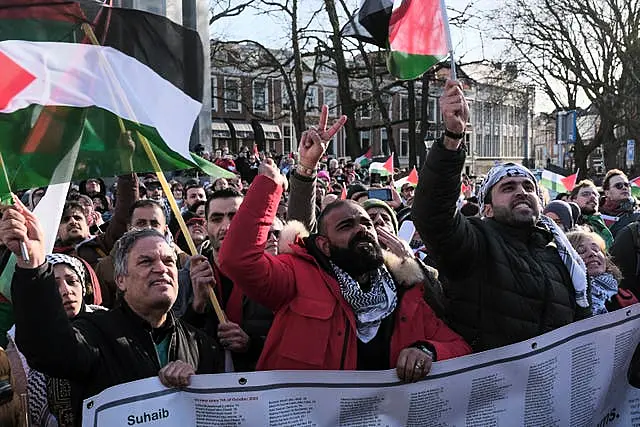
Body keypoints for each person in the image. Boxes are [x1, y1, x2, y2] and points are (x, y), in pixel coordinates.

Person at [218, 107, 470, 381]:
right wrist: (270, 186)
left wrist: (429, 350)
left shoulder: (407, 292)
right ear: (324, 246)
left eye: (366, 223)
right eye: (346, 226)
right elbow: (237, 259)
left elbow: (461, 348)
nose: (362, 229)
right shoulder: (297, 278)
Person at [1, 200, 221, 424]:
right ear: (120, 280)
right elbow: (47, 348)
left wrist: (196, 386)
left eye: (168, 261)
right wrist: (34, 264)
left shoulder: (201, 344)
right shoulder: (94, 332)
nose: (161, 268)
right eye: (146, 261)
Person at [412, 80, 588, 352]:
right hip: (494, 389)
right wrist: (452, 139)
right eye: (508, 187)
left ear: (540, 202)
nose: (521, 192)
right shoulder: (476, 241)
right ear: (487, 208)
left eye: (528, 187)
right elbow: (433, 215)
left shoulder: (558, 255)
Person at [177, 188, 273, 372]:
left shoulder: (270, 275)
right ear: (205, 226)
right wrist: (196, 307)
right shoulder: (185, 277)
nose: (226, 226)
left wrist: (250, 345)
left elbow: (288, 338)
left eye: (234, 217)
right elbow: (174, 344)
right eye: (216, 219)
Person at [94, 199, 189, 308]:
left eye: (154, 224)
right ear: (129, 228)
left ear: (165, 229)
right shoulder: (106, 267)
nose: (148, 228)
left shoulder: (184, 263)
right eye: (141, 223)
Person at [567, 230, 637, 313]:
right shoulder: (565, 300)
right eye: (581, 251)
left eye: (596, 249)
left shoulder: (627, 297)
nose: (592, 253)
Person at [570, 180, 613, 249]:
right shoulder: (569, 223)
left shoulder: (600, 224)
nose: (593, 197)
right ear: (573, 199)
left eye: (595, 194)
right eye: (585, 194)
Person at [600, 169, 640, 237]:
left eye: (626, 185)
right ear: (607, 193)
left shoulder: (638, 215)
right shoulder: (596, 216)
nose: (624, 188)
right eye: (618, 185)